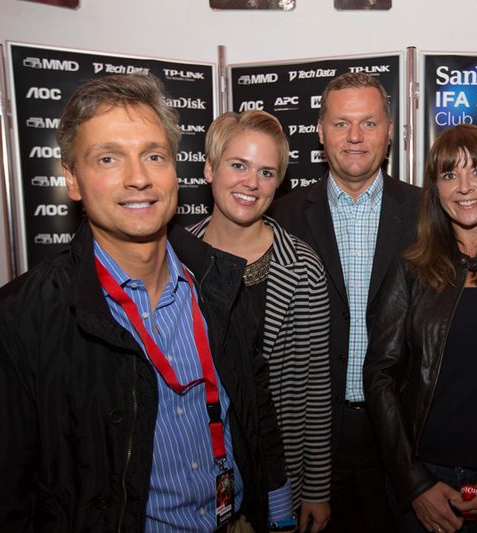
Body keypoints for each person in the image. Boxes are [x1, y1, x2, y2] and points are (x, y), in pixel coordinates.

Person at [0, 74, 294, 533]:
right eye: (108, 158)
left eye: (154, 156)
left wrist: (276, 514)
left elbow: (257, 411)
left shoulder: (221, 281)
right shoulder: (13, 323)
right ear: (72, 180)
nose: (139, 178)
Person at [364, 124, 477, 533]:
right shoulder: (410, 268)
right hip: (426, 481)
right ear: (436, 189)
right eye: (449, 175)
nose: (464, 187)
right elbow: (380, 377)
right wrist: (415, 483)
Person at [269, 72, 420, 533]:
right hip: (309, 436)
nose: (355, 137)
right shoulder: (281, 217)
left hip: (402, 436)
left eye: (369, 123)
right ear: (319, 131)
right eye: (341, 124)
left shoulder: (427, 213)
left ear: (390, 132)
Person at [188, 110, 332, 532]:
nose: (251, 182)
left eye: (266, 172)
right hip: (195, 477)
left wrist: (318, 490)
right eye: (238, 165)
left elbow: (315, 390)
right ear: (210, 168)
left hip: (279, 476)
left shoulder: (304, 266)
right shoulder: (174, 261)